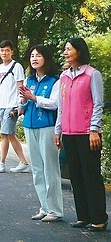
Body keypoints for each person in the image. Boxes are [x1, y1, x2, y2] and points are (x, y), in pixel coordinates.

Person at [54, 38, 108, 232]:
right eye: (65, 49)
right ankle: (83, 216)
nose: (66, 52)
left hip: (87, 134)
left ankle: (99, 218)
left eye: (69, 49)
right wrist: (58, 130)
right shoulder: (64, 77)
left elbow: (97, 104)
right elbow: (61, 106)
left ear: (79, 51)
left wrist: (94, 129)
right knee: (75, 176)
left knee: (91, 176)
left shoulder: (92, 74)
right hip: (68, 132)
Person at [19, 45, 63, 222]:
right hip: (29, 126)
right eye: (32, 56)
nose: (34, 58)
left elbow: (54, 104)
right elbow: (24, 103)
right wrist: (22, 101)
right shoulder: (29, 80)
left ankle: (56, 210)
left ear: (47, 58)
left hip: (47, 126)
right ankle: (44, 207)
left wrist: (34, 98)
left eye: (38, 55)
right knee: (37, 169)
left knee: (50, 168)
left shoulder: (55, 81)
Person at [0, 40, 30, 173]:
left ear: (12, 51)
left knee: (5, 134)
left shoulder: (16, 66)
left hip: (12, 105)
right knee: (10, 134)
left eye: (7, 50)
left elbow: (21, 86)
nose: (4, 53)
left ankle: (1, 163)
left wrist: (19, 105)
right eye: (2, 50)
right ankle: (24, 162)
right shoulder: (0, 68)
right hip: (3, 105)